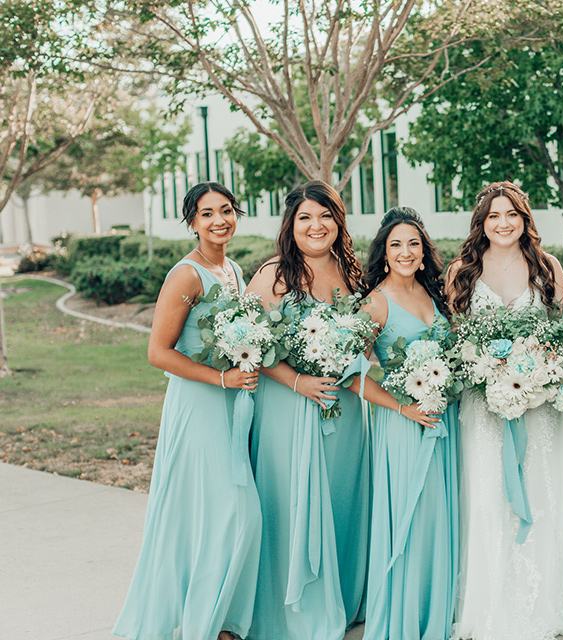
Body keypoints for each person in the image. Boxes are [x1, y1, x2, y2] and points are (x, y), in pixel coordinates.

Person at [114, 182, 262, 640]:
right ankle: (204, 624)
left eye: (227, 210)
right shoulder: (187, 275)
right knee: (236, 513)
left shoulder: (233, 270)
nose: (219, 220)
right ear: (192, 222)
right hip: (199, 405)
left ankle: (216, 620)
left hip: (234, 404)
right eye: (207, 214)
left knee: (214, 514)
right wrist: (222, 378)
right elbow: (158, 352)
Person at [447, 181, 563, 640]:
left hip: (539, 409)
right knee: (488, 496)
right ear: (481, 223)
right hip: (483, 407)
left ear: (525, 220)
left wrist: (539, 371)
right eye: (493, 216)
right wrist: (488, 373)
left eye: (512, 215)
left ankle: (538, 605)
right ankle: (488, 608)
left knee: (540, 496)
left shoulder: (547, 268)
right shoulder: (462, 271)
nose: (503, 223)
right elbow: (455, 339)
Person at [244, 180, 370, 640]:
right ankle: (292, 607)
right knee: (289, 499)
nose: (316, 226)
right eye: (305, 218)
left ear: (338, 221)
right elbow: (251, 346)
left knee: (342, 496)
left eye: (325, 216)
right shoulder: (274, 275)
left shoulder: (355, 274)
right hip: (289, 407)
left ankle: (343, 593)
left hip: (346, 408)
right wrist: (297, 380)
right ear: (290, 225)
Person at [360, 207, 460, 640]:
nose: (405, 251)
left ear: (424, 252)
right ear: (383, 252)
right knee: (410, 517)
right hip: (403, 427)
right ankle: (404, 618)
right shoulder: (375, 302)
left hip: (444, 421)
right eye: (396, 244)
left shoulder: (434, 294)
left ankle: (437, 612)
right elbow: (352, 373)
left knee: (440, 516)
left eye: (413, 244)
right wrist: (404, 408)